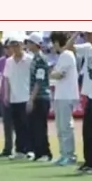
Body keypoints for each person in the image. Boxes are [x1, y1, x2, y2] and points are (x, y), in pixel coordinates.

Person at [66, 31, 92, 174]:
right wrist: (76, 33)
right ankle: (89, 161)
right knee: (88, 131)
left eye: (91, 34)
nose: (88, 37)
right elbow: (68, 47)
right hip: (91, 95)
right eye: (86, 34)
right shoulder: (88, 49)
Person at [49, 31, 79, 166]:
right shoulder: (62, 56)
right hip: (60, 94)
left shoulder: (67, 55)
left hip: (67, 95)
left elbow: (59, 74)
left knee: (66, 126)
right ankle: (63, 154)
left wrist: (51, 73)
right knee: (60, 126)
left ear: (56, 42)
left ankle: (70, 155)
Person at [3, 36, 34, 159]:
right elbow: (7, 79)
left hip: (26, 96)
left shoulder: (29, 60)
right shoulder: (9, 61)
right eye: (12, 45)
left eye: (17, 45)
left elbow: (34, 79)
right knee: (18, 125)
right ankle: (20, 150)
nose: (15, 48)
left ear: (22, 45)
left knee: (28, 125)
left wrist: (32, 96)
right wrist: (7, 95)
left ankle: (31, 149)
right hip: (14, 97)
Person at [25, 32, 53, 161]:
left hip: (41, 97)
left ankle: (45, 153)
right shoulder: (35, 58)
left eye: (29, 43)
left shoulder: (40, 59)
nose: (27, 45)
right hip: (37, 96)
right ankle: (38, 152)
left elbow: (39, 80)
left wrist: (31, 99)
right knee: (34, 126)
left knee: (40, 126)